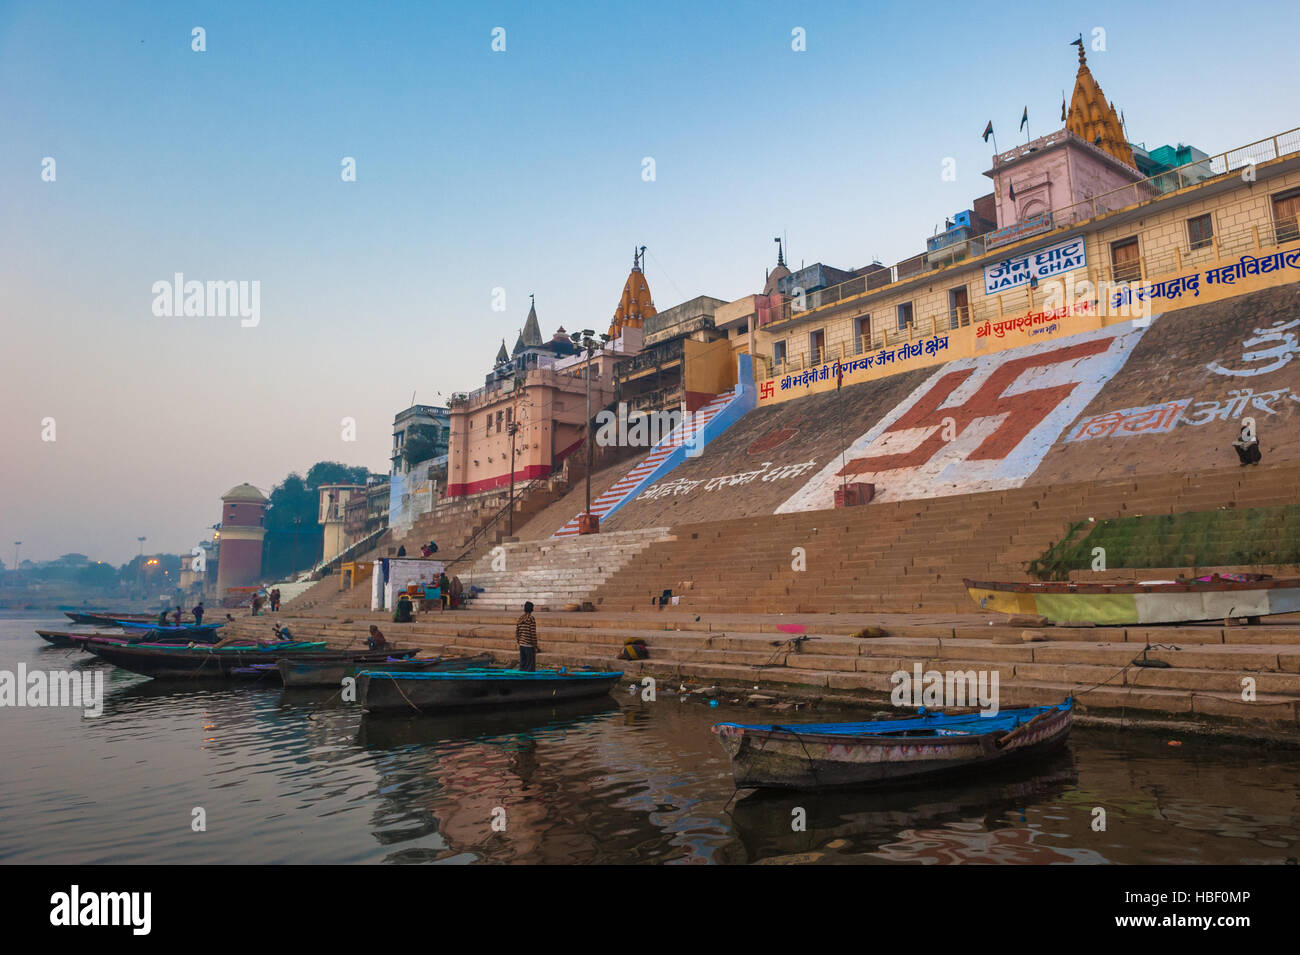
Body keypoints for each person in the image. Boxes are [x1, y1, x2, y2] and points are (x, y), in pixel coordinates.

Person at [515, 601, 538, 672]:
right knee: (530, 665)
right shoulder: (531, 619)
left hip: (522, 644)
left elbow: (517, 631)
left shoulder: (521, 618)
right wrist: (535, 645)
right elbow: (532, 633)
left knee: (523, 663)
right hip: (529, 645)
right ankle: (529, 679)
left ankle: (522, 676)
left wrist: (519, 641)